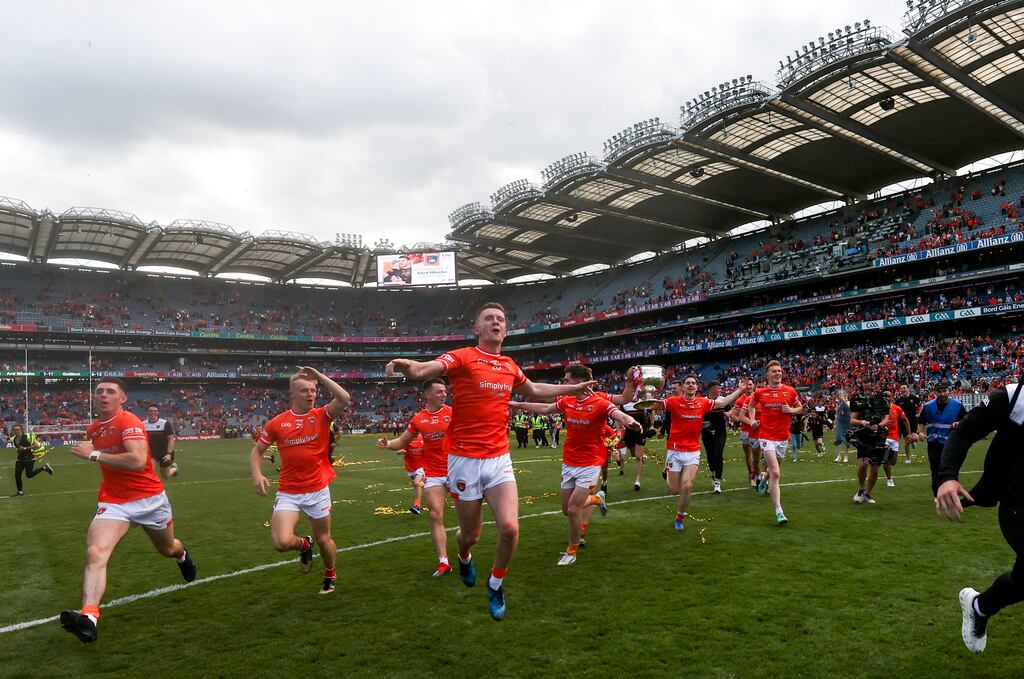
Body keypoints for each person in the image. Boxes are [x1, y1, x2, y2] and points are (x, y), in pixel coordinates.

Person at [386, 302, 596, 621]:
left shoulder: (510, 365)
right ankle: (464, 555)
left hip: (498, 458)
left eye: (500, 319)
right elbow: (426, 370)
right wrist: (408, 366)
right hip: (463, 460)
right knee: (470, 534)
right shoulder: (463, 356)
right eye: (489, 319)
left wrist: (575, 387)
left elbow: (536, 389)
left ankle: (495, 583)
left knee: (510, 528)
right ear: (478, 329)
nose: (496, 322)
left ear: (505, 329)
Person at [59, 377, 196, 644]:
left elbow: (136, 460)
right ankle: (89, 618)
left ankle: (183, 556)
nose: (103, 395)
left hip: (149, 500)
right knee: (96, 551)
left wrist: (94, 455)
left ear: (122, 398)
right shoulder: (94, 428)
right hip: (114, 501)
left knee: (167, 549)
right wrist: (94, 452)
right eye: (99, 391)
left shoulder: (129, 421)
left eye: (111, 391)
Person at [511, 364, 641, 564]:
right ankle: (597, 500)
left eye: (567, 380)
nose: (563, 383)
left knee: (573, 509)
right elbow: (546, 408)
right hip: (570, 461)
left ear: (580, 382)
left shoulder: (600, 400)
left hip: (591, 462)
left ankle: (571, 550)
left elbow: (619, 410)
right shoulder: (567, 400)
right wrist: (517, 405)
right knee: (566, 509)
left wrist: (630, 421)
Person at [935, 380, 1024, 654]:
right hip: (1017, 506)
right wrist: (947, 477)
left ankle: (979, 606)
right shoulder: (1014, 397)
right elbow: (964, 432)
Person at [249, 366, 351, 595]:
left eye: (313, 390)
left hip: (317, 490)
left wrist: (319, 375)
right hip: (289, 491)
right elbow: (256, 452)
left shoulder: (322, 415)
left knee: (324, 539)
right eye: (305, 390)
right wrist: (257, 474)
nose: (311, 394)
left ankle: (330, 573)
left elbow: (344, 398)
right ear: (292, 394)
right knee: (281, 542)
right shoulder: (277, 423)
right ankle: (304, 545)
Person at [377, 378, 453, 576]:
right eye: (439, 391)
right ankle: (443, 561)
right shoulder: (419, 419)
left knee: (469, 528)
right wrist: (388, 445)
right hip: (434, 474)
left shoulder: (453, 413)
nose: (444, 394)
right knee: (436, 515)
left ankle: (465, 554)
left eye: (445, 391)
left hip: (458, 471)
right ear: (427, 395)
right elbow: (402, 441)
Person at [652, 374, 748, 530]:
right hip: (674, 450)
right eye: (688, 383)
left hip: (692, 451)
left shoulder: (703, 402)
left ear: (697, 388)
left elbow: (723, 402)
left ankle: (679, 517)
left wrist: (740, 390)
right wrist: (650, 394)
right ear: (682, 387)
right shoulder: (672, 402)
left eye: (693, 383)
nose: (691, 385)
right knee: (675, 490)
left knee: (688, 485)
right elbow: (655, 406)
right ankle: (667, 469)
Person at [748, 361, 801, 525]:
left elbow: (800, 407)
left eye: (779, 371)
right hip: (766, 436)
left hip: (782, 437)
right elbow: (750, 406)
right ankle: (779, 511)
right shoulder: (760, 393)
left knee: (772, 472)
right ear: (768, 375)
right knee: (776, 473)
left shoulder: (790, 391)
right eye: (774, 371)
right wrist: (752, 420)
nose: (778, 373)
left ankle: (763, 478)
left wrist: (791, 410)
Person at [918, 381, 966, 496]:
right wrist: (920, 432)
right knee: (935, 469)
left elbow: (965, 421)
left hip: (951, 443)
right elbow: (921, 422)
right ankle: (937, 494)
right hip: (934, 443)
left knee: (952, 469)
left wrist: (959, 424)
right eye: (939, 391)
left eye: (944, 391)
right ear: (935, 392)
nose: (942, 394)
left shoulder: (958, 405)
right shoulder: (928, 406)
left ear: (949, 391)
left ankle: (952, 493)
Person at [850, 379, 891, 505]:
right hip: (863, 436)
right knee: (863, 465)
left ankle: (868, 493)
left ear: (875, 387)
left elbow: (886, 417)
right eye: (865, 389)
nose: (867, 392)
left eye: (870, 389)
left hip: (879, 436)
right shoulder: (858, 400)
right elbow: (852, 420)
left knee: (875, 469)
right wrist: (863, 423)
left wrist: (878, 425)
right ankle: (861, 489)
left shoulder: (883, 400)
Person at [7, 423, 53, 496]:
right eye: (15, 430)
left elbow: (36, 445)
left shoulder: (28, 436)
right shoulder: (14, 438)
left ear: (21, 430)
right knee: (17, 475)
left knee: (29, 475)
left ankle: (44, 468)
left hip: (29, 458)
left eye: (18, 429)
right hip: (19, 459)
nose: (16, 431)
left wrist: (25, 448)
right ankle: (20, 492)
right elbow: (15, 446)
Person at [730, 379, 760, 486]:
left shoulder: (759, 397)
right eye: (747, 385)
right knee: (749, 454)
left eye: (750, 384)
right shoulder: (740, 401)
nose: (749, 387)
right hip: (746, 431)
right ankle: (752, 474)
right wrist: (747, 420)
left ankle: (759, 475)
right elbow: (734, 417)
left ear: (754, 386)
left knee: (759, 455)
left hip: (759, 430)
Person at [700, 380, 728, 492]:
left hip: (720, 432)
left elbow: (729, 411)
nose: (720, 390)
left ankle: (717, 481)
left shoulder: (723, 400)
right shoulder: (703, 401)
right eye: (718, 388)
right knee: (710, 455)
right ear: (711, 388)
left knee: (718, 454)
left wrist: (730, 415)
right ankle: (713, 472)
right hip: (706, 432)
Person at [881, 391, 914, 488]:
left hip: (894, 437)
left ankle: (888, 470)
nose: (887, 398)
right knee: (886, 458)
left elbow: (905, 420)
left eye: (889, 397)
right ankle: (889, 478)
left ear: (891, 398)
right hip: (884, 436)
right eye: (885, 397)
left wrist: (909, 434)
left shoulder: (897, 408)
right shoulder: (879, 409)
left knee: (893, 462)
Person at [143, 404, 178, 480]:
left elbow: (171, 439)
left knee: (165, 476)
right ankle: (153, 489)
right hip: (152, 453)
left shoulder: (165, 423)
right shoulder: (142, 424)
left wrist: (169, 454)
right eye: (151, 411)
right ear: (147, 412)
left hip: (164, 452)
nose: (153, 412)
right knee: (149, 473)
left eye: (155, 411)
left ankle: (174, 468)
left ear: (158, 412)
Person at [894, 384, 922, 464]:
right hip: (903, 423)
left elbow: (920, 405)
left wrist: (919, 413)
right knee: (907, 441)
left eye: (904, 388)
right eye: (901, 388)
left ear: (908, 389)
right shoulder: (898, 401)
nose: (903, 389)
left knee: (915, 438)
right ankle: (908, 458)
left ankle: (913, 441)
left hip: (913, 421)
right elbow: (895, 411)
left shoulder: (914, 398)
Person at [833, 391, 852, 463]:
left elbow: (848, 406)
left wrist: (843, 400)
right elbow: (837, 414)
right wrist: (835, 423)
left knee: (847, 439)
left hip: (847, 422)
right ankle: (838, 456)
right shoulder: (838, 403)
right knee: (838, 438)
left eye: (841, 394)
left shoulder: (848, 402)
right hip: (840, 422)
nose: (840, 396)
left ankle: (846, 456)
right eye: (839, 394)